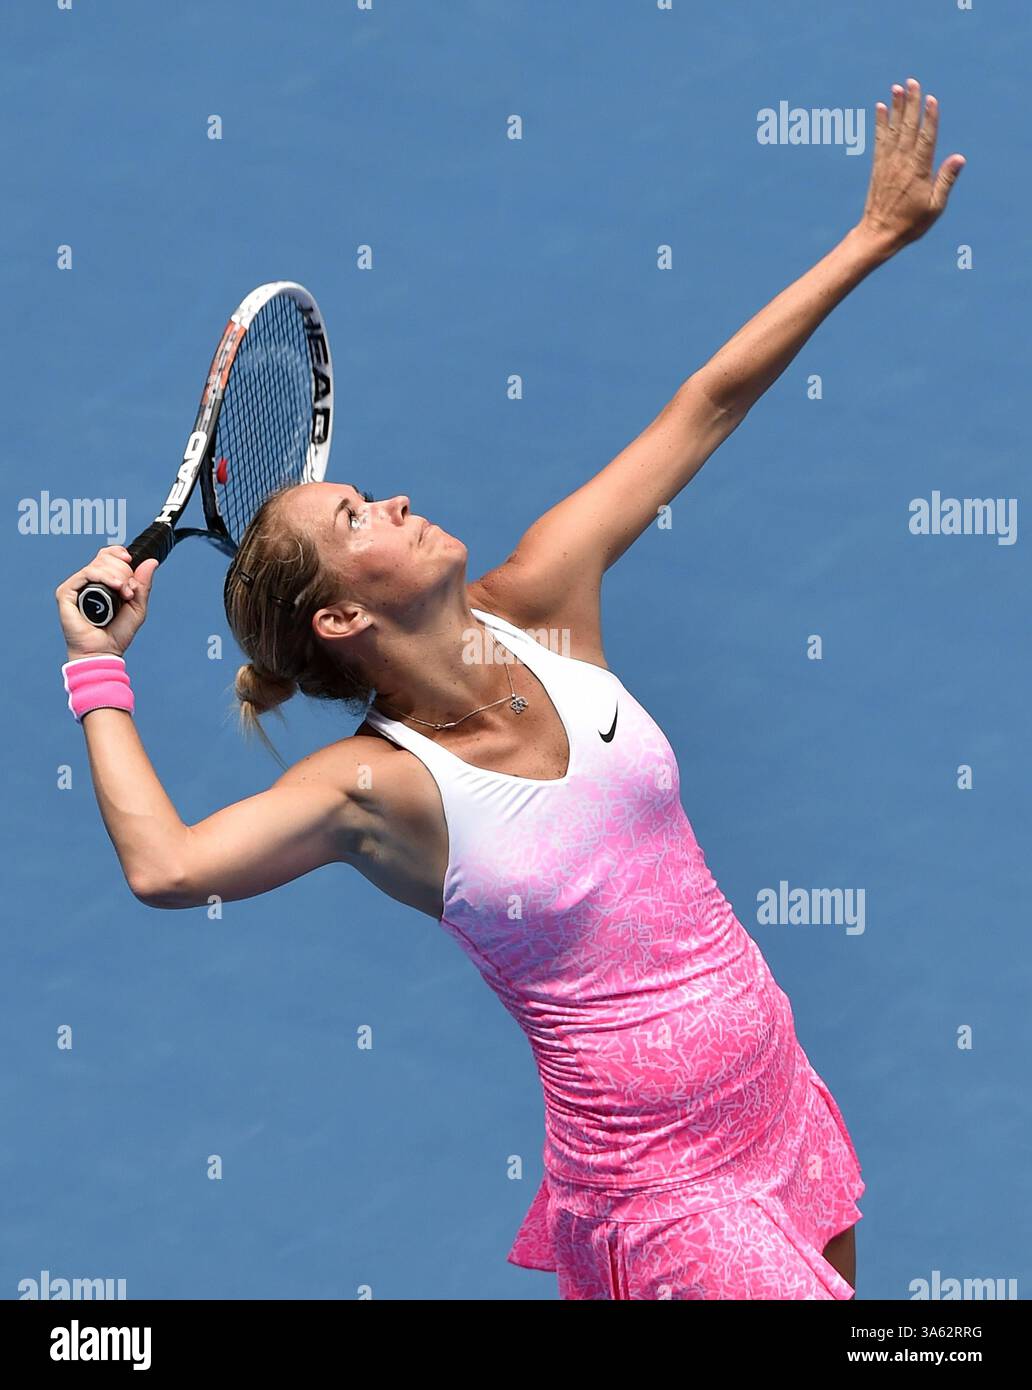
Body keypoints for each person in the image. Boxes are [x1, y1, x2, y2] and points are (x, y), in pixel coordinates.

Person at [55, 79, 963, 1299]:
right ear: (342, 616)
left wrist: (870, 238)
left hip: (777, 1092)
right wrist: (95, 669)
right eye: (356, 515)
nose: (396, 500)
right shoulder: (374, 789)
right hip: (664, 1190)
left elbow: (708, 403)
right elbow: (165, 866)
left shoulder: (542, 598)